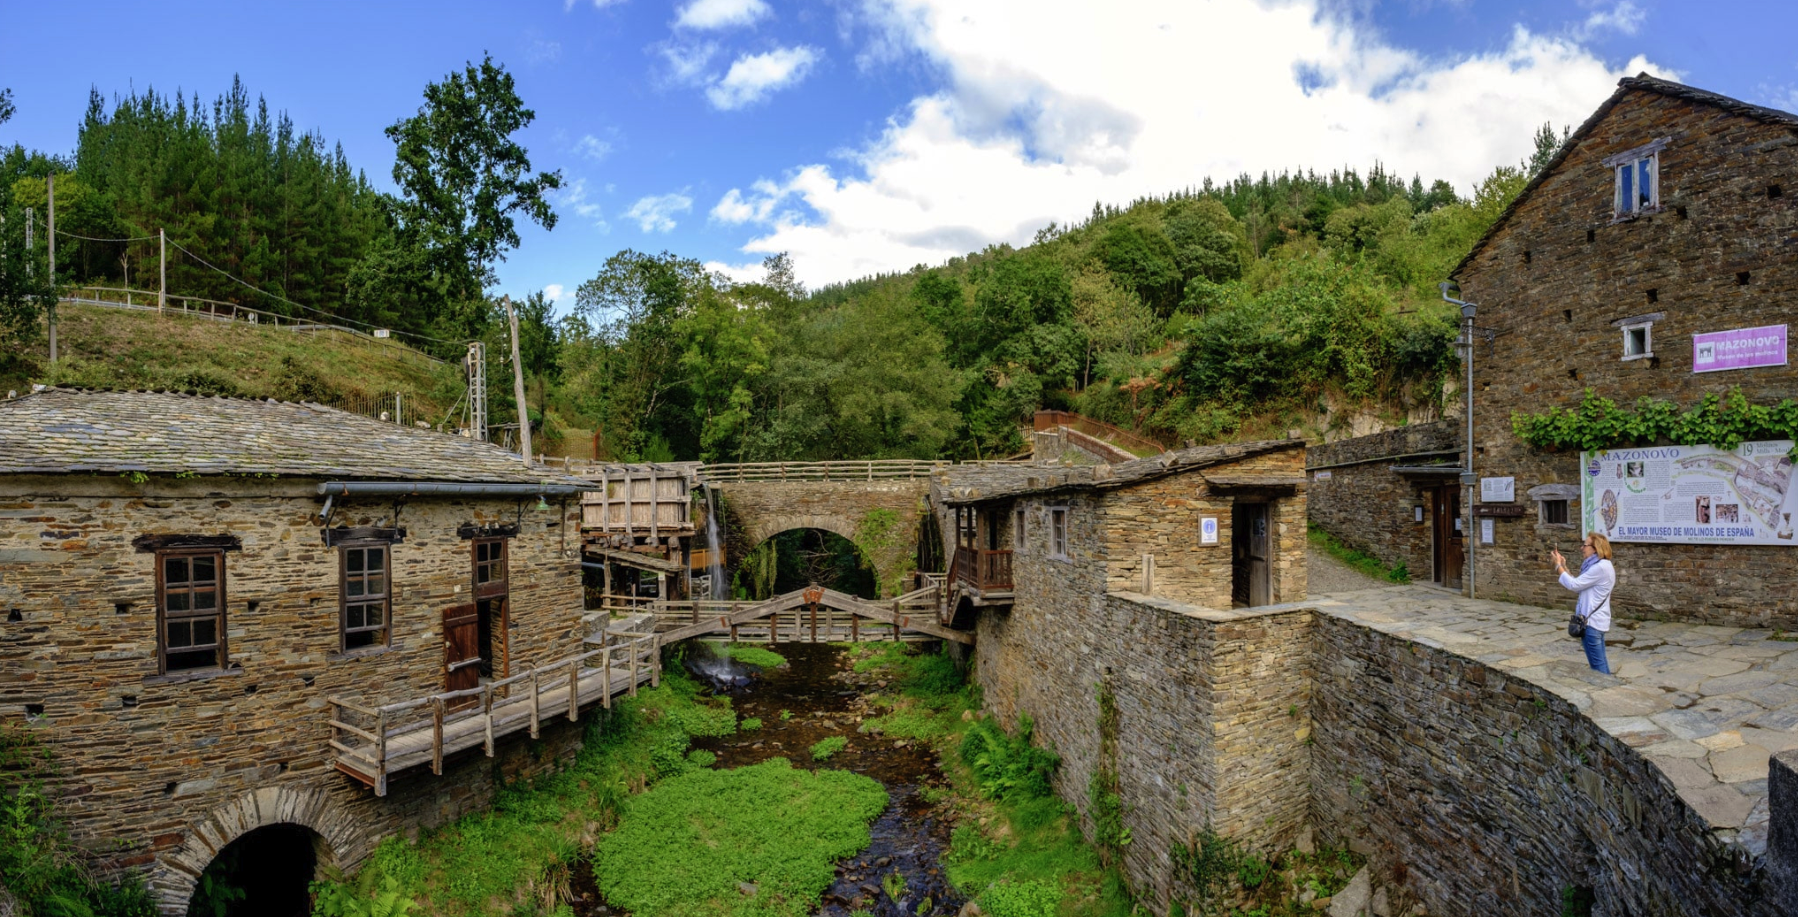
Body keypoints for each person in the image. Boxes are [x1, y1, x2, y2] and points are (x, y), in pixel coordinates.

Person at [1553, 533, 1616, 674]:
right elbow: (1579, 585)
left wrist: (1558, 566)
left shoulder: (1600, 567)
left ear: (1595, 548)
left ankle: (1606, 693)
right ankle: (1610, 690)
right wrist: (1564, 566)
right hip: (1595, 622)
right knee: (1601, 664)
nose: (1582, 548)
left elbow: (1574, 585)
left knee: (1598, 669)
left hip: (1592, 624)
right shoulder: (1599, 565)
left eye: (1585, 545)